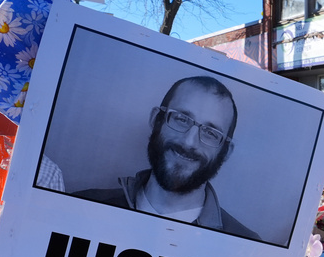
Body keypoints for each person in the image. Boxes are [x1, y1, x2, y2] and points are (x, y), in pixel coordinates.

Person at [76, 76, 259, 240]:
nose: (189, 142)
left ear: (225, 152)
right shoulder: (80, 207)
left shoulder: (247, 246)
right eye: (181, 119)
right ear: (156, 119)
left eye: (210, 133)